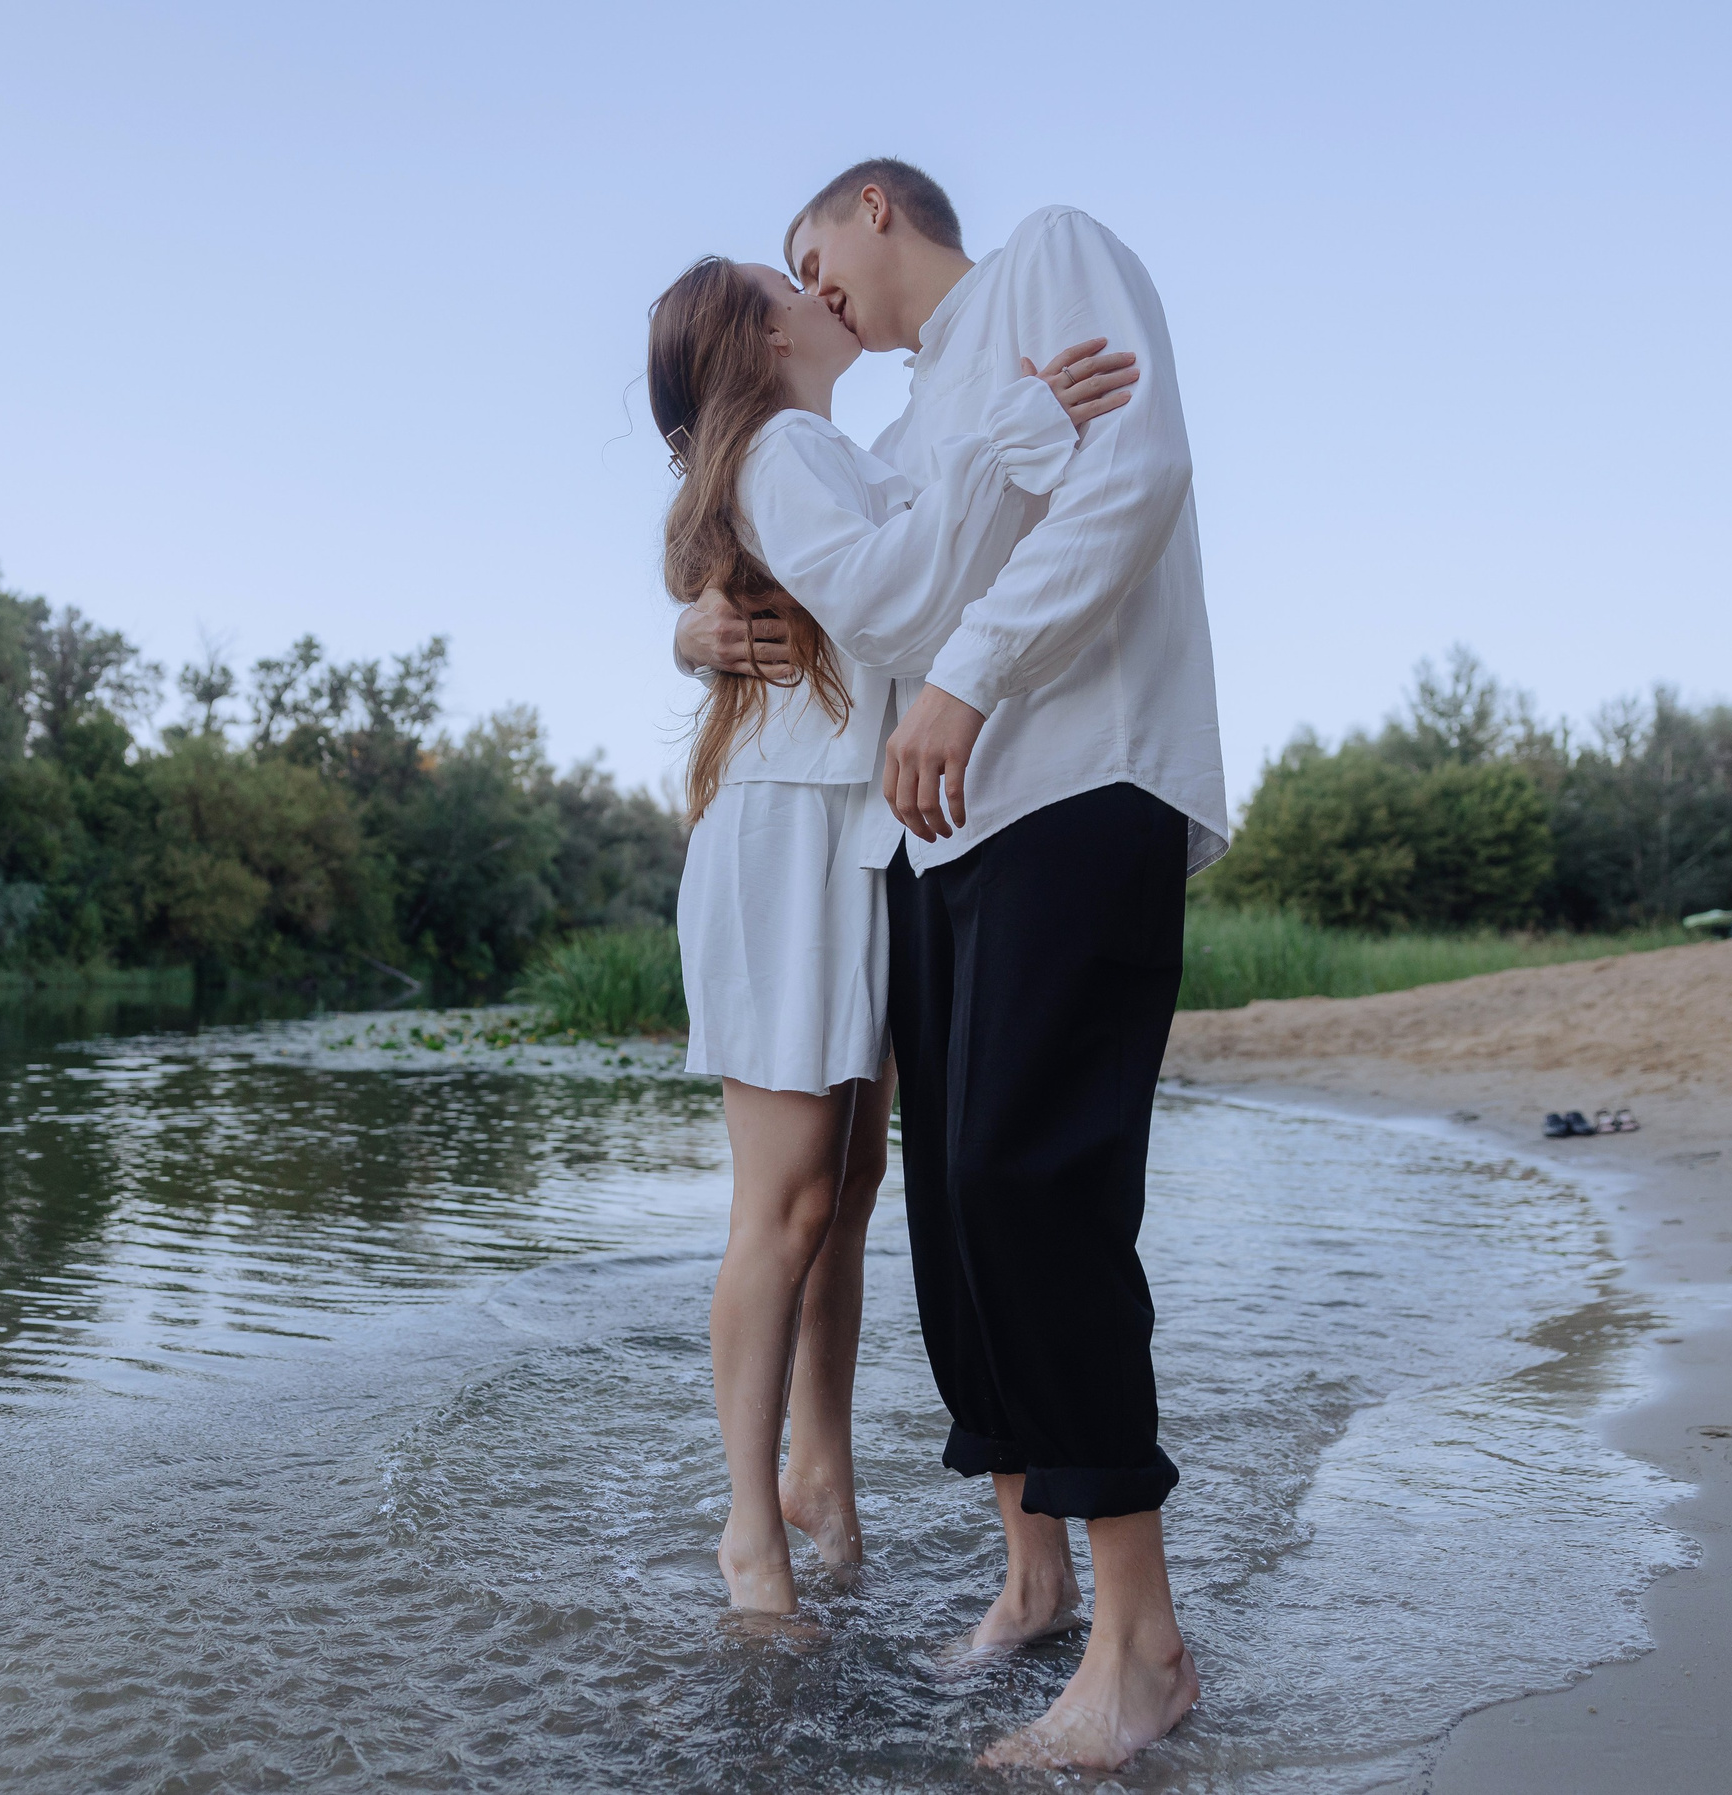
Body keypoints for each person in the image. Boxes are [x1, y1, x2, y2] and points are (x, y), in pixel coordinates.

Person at [677, 159, 1227, 1772]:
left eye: (810, 250)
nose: (812, 285)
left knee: (1032, 1186)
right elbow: (859, 582)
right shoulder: (898, 429)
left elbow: (1136, 479)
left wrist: (968, 680)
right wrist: (698, 620)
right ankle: (1037, 1578)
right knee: (962, 1217)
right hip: (942, 839)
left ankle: (1143, 1649)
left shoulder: (1051, 258)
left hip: (1082, 781)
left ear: (879, 211)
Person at [645, 255, 1139, 1618]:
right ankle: (753, 1530)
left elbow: (909, 556)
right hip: (786, 834)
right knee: (790, 1200)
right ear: (758, 330)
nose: (824, 293)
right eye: (787, 282)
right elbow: (902, 582)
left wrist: (691, 619)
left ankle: (819, 1474)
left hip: (847, 840)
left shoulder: (822, 448)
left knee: (845, 1194)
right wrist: (1027, 427)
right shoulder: (784, 444)